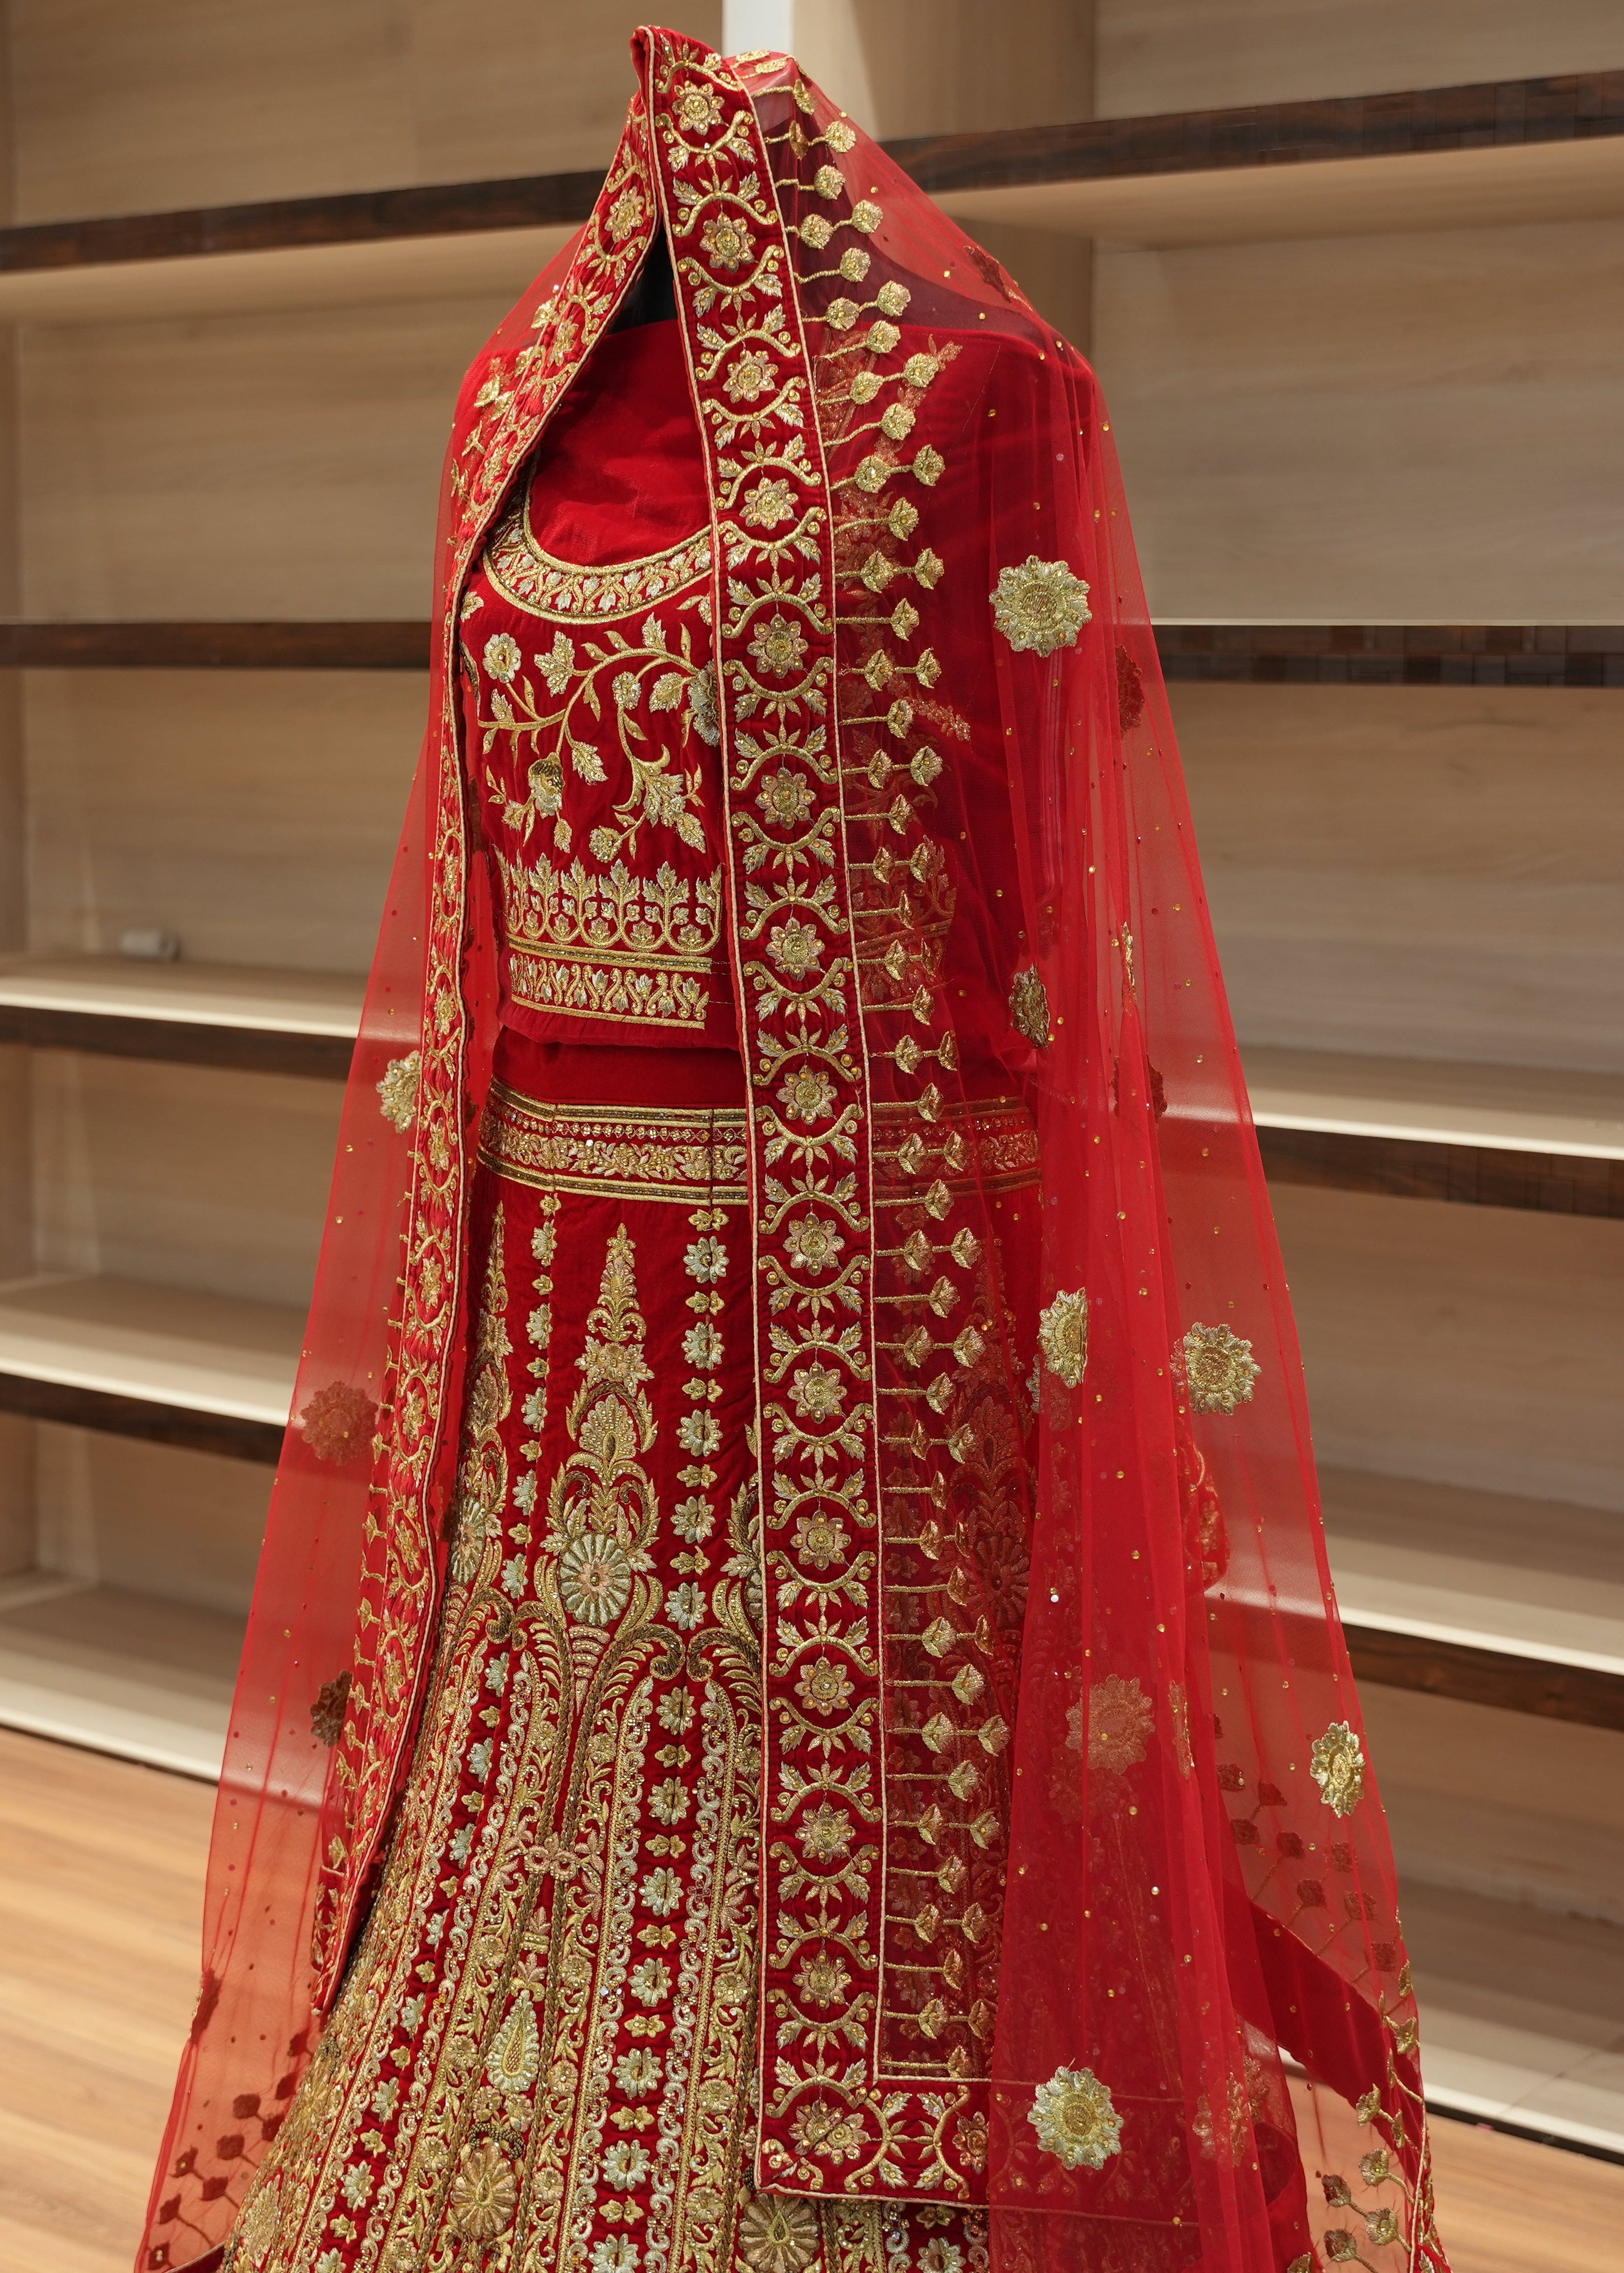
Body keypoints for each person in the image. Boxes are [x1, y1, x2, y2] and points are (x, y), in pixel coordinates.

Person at [139, 30, 1450, 2273]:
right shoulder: (504, 409)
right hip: (549, 1313)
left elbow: (1043, 935)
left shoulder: (980, 408)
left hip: (847, 1323)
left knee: (904, 1911)